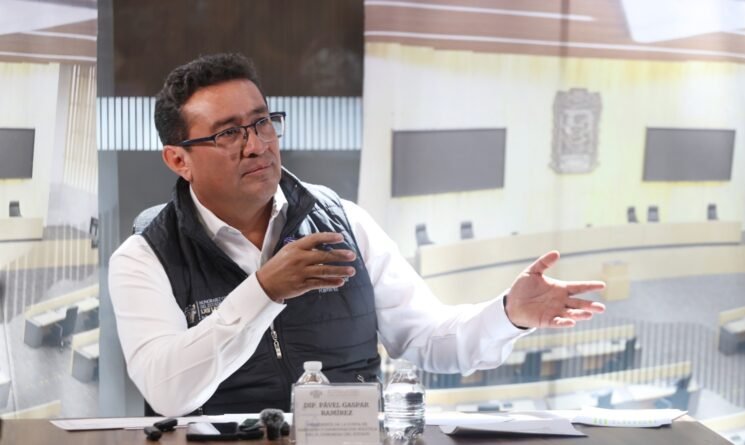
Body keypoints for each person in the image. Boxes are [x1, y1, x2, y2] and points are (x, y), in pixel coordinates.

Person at [109, 53, 606, 417]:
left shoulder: (342, 221)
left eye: (262, 123)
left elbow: (427, 338)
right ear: (179, 159)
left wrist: (508, 314)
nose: (256, 145)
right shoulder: (144, 256)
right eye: (228, 133)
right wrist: (264, 291)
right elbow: (168, 392)